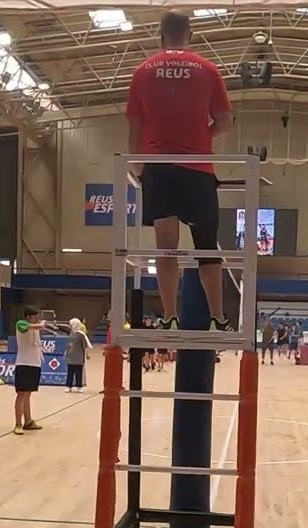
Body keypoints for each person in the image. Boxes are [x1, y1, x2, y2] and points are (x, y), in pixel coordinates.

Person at [126, 10, 234, 334]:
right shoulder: (208, 69)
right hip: (198, 169)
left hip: (159, 168)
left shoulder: (142, 71)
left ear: (160, 35)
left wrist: (137, 164)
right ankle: (218, 317)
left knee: (166, 247)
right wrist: (201, 140)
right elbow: (226, 121)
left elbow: (135, 125)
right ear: (190, 34)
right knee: (206, 248)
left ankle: (170, 317)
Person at [13, 306, 46, 435]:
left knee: (28, 394)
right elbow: (28, 327)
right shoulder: (21, 324)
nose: (37, 319)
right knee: (21, 394)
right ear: (27, 317)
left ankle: (28, 421)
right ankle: (17, 424)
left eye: (38, 316)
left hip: (34, 365)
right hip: (23, 364)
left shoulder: (36, 329)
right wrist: (41, 325)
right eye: (34, 316)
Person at [65, 317, 92, 392]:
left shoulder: (81, 335)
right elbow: (68, 345)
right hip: (71, 357)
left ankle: (79, 386)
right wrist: (66, 354)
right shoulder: (70, 334)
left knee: (78, 373)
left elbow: (84, 346)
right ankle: (69, 386)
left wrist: (86, 354)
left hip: (79, 358)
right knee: (70, 373)